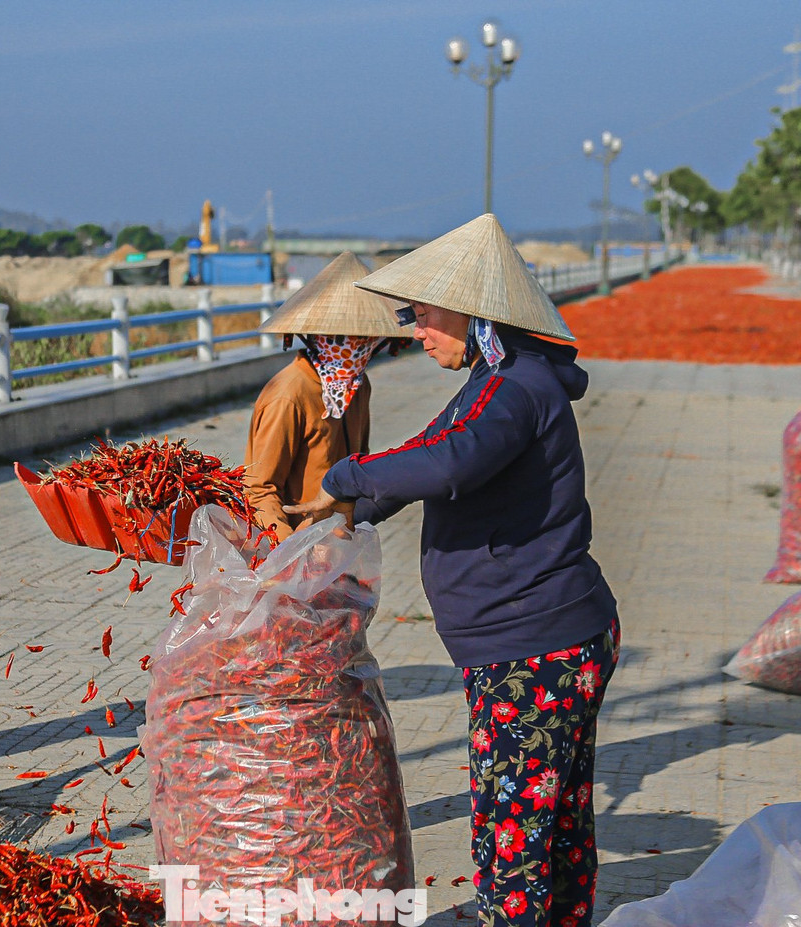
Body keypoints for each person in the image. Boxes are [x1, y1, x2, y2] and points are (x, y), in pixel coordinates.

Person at [286, 214, 620, 927]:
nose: (416, 331)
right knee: (551, 823)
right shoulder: (493, 380)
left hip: (535, 645)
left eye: (425, 314)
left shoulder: (515, 388)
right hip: (539, 636)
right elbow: (430, 447)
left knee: (515, 835)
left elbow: (450, 462)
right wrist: (348, 508)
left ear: (477, 314)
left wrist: (345, 474)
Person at [245, 251, 408, 542]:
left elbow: (358, 462)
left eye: (363, 338)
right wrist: (286, 548)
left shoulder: (358, 386)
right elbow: (260, 489)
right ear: (317, 338)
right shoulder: (289, 395)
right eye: (341, 339)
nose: (354, 347)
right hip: (294, 541)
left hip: (337, 538)